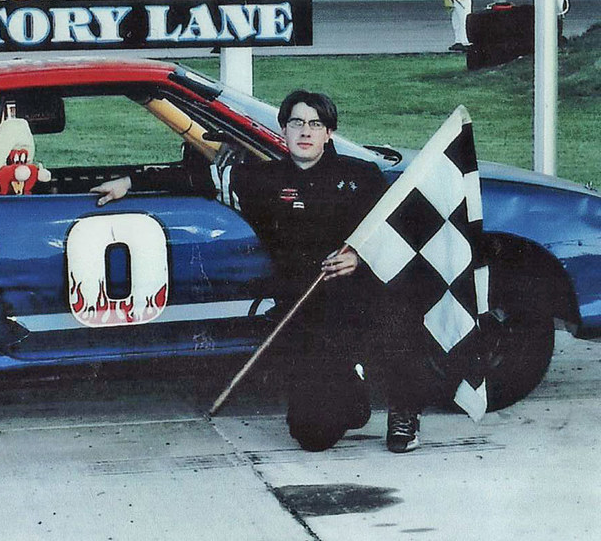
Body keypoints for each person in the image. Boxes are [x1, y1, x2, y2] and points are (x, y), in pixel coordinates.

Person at [91, 90, 435, 453]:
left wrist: (361, 257)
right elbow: (194, 176)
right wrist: (129, 183)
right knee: (312, 435)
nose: (305, 132)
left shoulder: (361, 175)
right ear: (283, 130)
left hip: (362, 298)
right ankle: (350, 399)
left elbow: (399, 229)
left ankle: (405, 411)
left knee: (397, 314)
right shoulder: (261, 178)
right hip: (306, 309)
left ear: (329, 133)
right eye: (296, 123)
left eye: (315, 124)